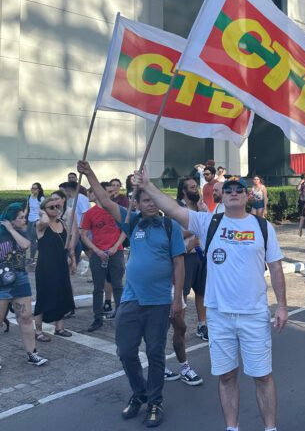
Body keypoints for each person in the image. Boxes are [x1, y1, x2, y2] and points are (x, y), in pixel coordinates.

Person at [131, 171, 288, 431]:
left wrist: (281, 305)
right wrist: (148, 185)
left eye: (239, 189)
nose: (234, 192)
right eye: (229, 190)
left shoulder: (262, 227)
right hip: (219, 315)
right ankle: (231, 427)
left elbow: (277, 268)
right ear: (222, 196)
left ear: (248, 195)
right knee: (226, 376)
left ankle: (270, 428)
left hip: (254, 314)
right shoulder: (209, 223)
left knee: (262, 376)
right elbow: (173, 209)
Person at [78, 160, 186, 427]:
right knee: (126, 351)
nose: (150, 204)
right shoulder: (132, 222)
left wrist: (176, 299)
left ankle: (155, 401)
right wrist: (89, 173)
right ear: (136, 203)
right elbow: (104, 200)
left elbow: (179, 263)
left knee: (155, 354)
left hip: (159, 302)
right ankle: (139, 394)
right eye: (144, 200)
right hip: (130, 299)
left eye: (153, 200)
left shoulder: (170, 227)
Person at [0, 203, 48, 365]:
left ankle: (32, 354)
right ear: (10, 220)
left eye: (24, 217)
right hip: (2, 281)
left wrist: (12, 230)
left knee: (26, 317)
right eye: (20, 218)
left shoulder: (22, 232)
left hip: (20, 278)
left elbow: (25, 245)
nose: (24, 220)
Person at [79, 187, 127, 332]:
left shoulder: (117, 210)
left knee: (118, 286)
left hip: (116, 253)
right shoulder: (89, 214)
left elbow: (125, 230)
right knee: (98, 288)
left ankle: (121, 317)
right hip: (97, 254)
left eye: (93, 192)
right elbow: (84, 236)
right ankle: (97, 318)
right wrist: (97, 251)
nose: (90, 194)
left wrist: (116, 246)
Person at [33, 196, 75, 341]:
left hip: (60, 264)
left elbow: (68, 243)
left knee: (62, 293)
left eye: (57, 206)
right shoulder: (40, 224)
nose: (56, 209)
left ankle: (59, 327)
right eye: (51, 207)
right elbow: (44, 221)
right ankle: (38, 331)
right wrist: (42, 213)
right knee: (43, 296)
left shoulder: (62, 223)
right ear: (44, 210)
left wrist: (72, 258)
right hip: (45, 266)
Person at [176, 176, 209, 341]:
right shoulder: (176, 208)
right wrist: (191, 231)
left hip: (202, 255)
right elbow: (173, 234)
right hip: (186, 255)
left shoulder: (200, 207)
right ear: (184, 190)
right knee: (183, 293)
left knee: (202, 291)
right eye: (192, 187)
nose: (196, 190)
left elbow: (208, 225)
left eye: (196, 187)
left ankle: (202, 325)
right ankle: (180, 326)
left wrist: (201, 210)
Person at [24, 182, 44, 262]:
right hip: (30, 219)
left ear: (39, 190)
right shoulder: (29, 197)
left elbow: (43, 210)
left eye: (35, 188)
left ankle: (32, 258)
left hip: (37, 219)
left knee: (33, 239)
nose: (33, 190)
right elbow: (27, 208)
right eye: (32, 188)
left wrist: (40, 220)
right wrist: (23, 216)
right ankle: (29, 256)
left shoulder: (41, 198)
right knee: (28, 238)